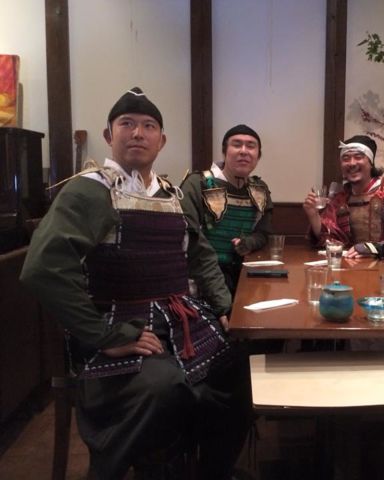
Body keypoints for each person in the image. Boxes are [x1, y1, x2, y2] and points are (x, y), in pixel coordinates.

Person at [20, 88, 252, 480]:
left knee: (238, 371)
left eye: (149, 126)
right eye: (127, 124)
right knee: (165, 387)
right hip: (117, 326)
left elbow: (200, 256)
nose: (138, 133)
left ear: (162, 140)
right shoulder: (88, 190)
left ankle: (210, 470)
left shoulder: (171, 194)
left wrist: (224, 306)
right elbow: (43, 268)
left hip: (180, 323)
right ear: (109, 135)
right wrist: (104, 335)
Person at [180, 124, 273, 294]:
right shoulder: (197, 184)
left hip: (245, 277)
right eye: (237, 144)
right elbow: (190, 240)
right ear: (224, 151)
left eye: (251, 146)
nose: (243, 151)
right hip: (201, 280)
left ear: (258, 156)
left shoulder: (260, 189)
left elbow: (263, 233)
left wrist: (249, 243)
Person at [303, 134, 384, 257]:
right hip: (349, 264)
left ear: (371, 162)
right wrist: (313, 215)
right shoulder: (340, 198)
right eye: (346, 158)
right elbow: (330, 240)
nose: (352, 163)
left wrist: (368, 248)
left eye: (358, 157)